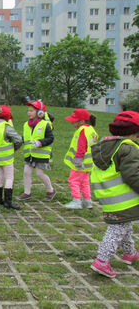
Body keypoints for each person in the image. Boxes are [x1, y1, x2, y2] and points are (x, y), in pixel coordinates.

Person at [90, 111, 139, 278]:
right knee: (117, 228)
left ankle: (129, 253)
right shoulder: (129, 148)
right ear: (135, 132)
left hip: (108, 196)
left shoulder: (108, 145)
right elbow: (132, 175)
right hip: (123, 199)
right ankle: (102, 261)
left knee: (125, 225)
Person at [17, 100, 56, 201]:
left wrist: (40, 142)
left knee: (39, 173)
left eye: (31, 111)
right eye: (28, 110)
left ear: (40, 113)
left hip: (41, 154)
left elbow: (50, 138)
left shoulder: (45, 124)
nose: (28, 113)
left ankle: (50, 190)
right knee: (26, 172)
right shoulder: (26, 124)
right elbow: (25, 137)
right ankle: (27, 192)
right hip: (29, 153)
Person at [63, 109, 98, 209]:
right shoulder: (91, 129)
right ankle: (87, 201)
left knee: (73, 180)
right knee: (85, 182)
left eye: (74, 121)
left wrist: (78, 159)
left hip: (80, 162)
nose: (72, 123)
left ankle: (76, 201)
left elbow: (81, 146)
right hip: (88, 162)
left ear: (81, 121)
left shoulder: (82, 130)